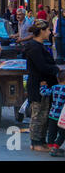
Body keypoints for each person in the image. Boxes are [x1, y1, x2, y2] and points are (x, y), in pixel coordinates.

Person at [24, 19, 60, 152]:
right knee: (38, 115)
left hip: (45, 85)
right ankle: (36, 142)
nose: (50, 32)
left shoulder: (39, 45)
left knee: (44, 114)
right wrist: (55, 69)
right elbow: (41, 66)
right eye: (48, 30)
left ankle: (41, 141)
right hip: (38, 85)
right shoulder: (34, 47)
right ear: (42, 31)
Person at [40, 70, 65, 157]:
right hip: (62, 117)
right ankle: (55, 147)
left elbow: (43, 92)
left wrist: (43, 86)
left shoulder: (54, 87)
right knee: (63, 134)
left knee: (52, 132)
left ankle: (51, 146)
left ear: (58, 79)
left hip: (52, 115)